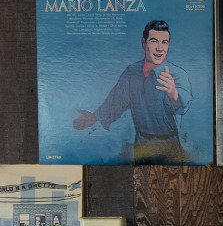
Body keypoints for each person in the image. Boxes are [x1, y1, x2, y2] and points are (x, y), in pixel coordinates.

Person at [73, 20, 192, 164]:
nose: (160, 48)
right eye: (154, 41)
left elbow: (182, 105)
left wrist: (173, 94)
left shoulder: (177, 74)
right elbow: (116, 101)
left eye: (165, 42)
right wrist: (95, 117)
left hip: (168, 146)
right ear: (144, 43)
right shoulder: (131, 72)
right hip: (141, 144)